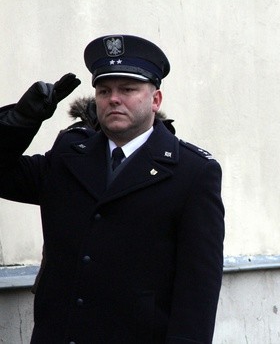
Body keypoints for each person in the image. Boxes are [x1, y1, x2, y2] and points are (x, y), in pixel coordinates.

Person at [0, 34, 225, 343]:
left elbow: (197, 290)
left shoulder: (192, 172)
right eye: (104, 90)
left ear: (155, 99)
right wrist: (19, 121)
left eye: (128, 89)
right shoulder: (69, 155)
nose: (114, 99)